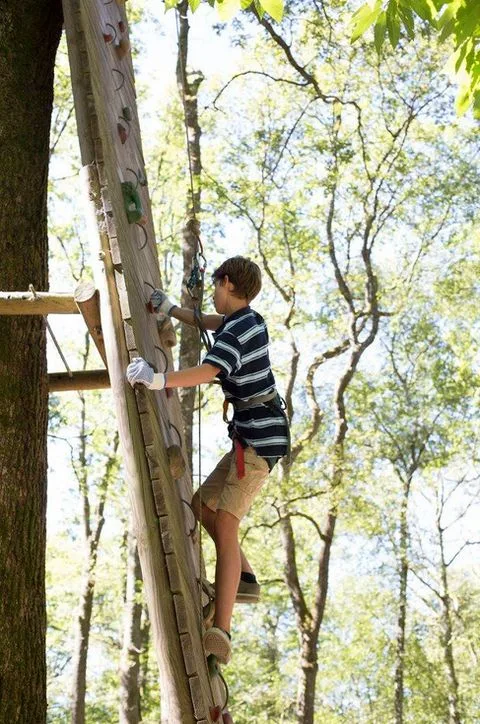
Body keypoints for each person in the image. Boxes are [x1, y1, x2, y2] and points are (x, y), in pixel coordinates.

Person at [126, 256, 289, 664]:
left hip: (259, 442)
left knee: (228, 524)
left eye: (216, 287)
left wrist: (159, 379)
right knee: (203, 506)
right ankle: (244, 578)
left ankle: (223, 629)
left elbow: (210, 370)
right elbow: (214, 324)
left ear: (228, 283)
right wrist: (173, 311)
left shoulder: (243, 329)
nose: (213, 294)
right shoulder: (245, 321)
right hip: (248, 439)